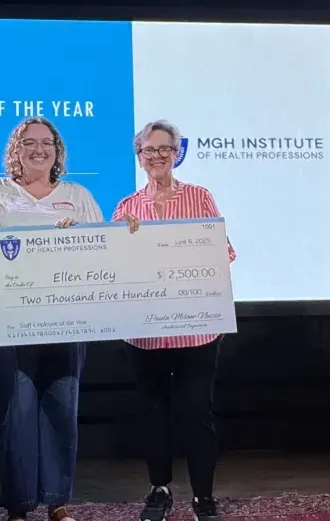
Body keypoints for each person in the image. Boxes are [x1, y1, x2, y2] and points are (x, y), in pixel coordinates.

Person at [0, 117, 104, 521]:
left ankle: (58, 501)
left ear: (58, 149)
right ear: (14, 150)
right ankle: (19, 505)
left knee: (62, 403)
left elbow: (103, 250)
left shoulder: (77, 195)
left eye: (46, 142)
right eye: (28, 143)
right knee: (16, 407)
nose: (38, 149)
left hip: (65, 311)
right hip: (6, 308)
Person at [112, 120, 236, 521]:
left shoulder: (200, 198)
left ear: (177, 153)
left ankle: (203, 496)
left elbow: (224, 253)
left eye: (165, 149)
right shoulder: (127, 207)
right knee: (153, 414)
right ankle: (159, 490)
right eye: (149, 150)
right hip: (145, 333)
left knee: (197, 413)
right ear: (139, 156)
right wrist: (123, 241)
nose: (157, 157)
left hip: (196, 328)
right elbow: (111, 266)